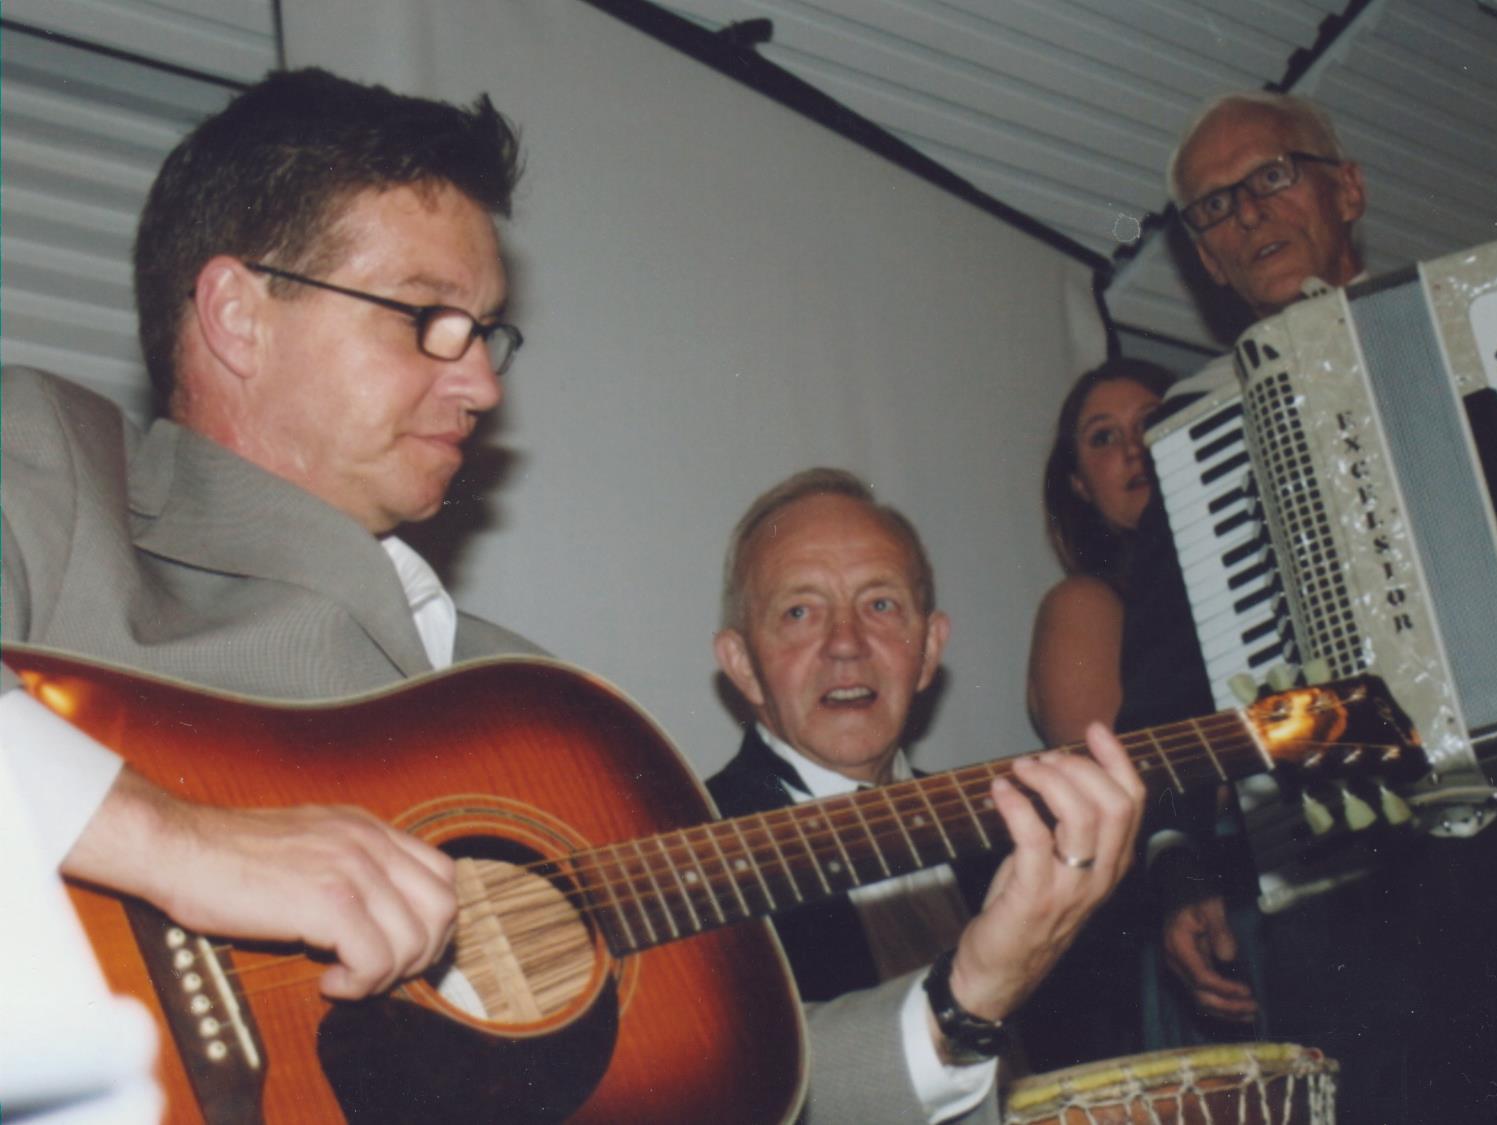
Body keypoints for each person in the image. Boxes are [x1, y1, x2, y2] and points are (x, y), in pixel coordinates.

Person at [0, 68, 1139, 1125]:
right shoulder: (57, 470)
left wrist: (968, 997)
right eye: (426, 317)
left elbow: (696, 1074)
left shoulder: (535, 710)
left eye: (485, 332)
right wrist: (188, 844)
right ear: (237, 315)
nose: (482, 382)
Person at [1124, 90, 1497, 1124]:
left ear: (1348, 189)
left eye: (1271, 175)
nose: (1246, 213)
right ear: (1205, 260)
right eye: (1212, 207)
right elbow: (1163, 698)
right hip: (1378, 924)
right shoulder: (1195, 440)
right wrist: (1178, 865)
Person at [708, 469, 1145, 1109]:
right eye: (799, 612)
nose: (846, 645)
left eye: (880, 605)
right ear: (744, 665)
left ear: (930, 648)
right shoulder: (691, 855)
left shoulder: (1012, 835)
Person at [1026, 358, 1172, 747]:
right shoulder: (1084, 604)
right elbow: (1109, 770)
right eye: (1104, 437)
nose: (1134, 448)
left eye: (1150, 422)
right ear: (1080, 484)